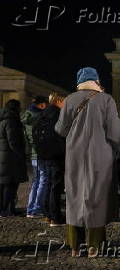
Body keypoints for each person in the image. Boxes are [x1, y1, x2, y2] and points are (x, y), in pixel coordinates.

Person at [55, 67, 120, 257]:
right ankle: (94, 245)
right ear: (96, 81)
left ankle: (75, 245)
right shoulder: (106, 100)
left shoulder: (69, 99)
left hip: (75, 155)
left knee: (75, 196)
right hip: (100, 155)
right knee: (97, 198)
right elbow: (115, 132)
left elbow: (60, 129)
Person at [33, 93, 66, 226]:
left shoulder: (42, 114)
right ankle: (55, 217)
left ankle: (47, 215)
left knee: (46, 184)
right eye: (64, 101)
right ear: (59, 101)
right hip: (56, 155)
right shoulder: (57, 115)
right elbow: (61, 135)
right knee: (55, 186)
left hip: (42, 154)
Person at [0, 99, 28, 217]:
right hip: (11, 158)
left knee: (4, 185)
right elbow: (13, 141)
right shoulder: (11, 121)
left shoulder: (3, 120)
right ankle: (6, 210)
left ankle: (7, 209)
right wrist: (21, 154)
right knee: (10, 185)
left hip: (4, 157)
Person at [22, 96, 48, 218]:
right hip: (40, 152)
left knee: (36, 180)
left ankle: (30, 209)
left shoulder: (26, 116)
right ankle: (36, 209)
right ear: (41, 104)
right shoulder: (38, 117)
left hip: (32, 153)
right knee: (42, 180)